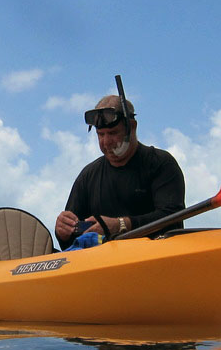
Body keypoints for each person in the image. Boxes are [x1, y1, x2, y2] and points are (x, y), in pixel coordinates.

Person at [55, 93, 186, 248]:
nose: (106, 141)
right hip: (104, 267)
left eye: (113, 133)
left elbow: (172, 218)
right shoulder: (88, 176)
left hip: (155, 261)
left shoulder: (161, 163)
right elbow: (72, 242)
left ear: (132, 127)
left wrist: (121, 225)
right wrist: (62, 232)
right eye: (100, 134)